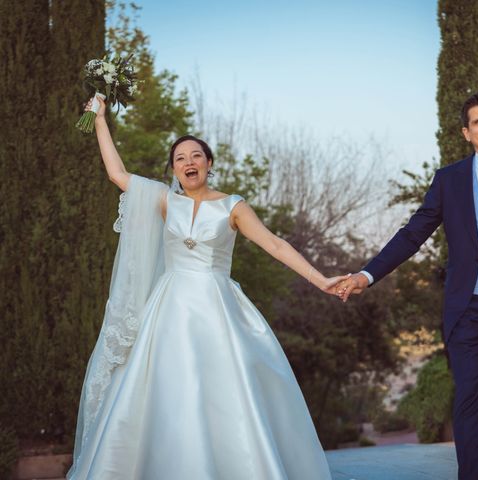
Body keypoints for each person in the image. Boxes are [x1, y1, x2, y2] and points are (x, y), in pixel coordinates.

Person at [67, 96, 344, 479]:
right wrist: (99, 119)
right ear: (174, 169)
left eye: (196, 155)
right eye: (180, 158)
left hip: (218, 310)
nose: (189, 162)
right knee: (164, 393)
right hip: (168, 311)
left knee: (227, 394)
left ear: (209, 164)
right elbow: (117, 173)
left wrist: (322, 280)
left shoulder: (233, 206)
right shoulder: (165, 202)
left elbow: (276, 245)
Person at [337, 93, 478, 480]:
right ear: (466, 132)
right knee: (469, 399)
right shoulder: (449, 180)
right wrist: (367, 275)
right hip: (469, 309)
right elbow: (413, 234)